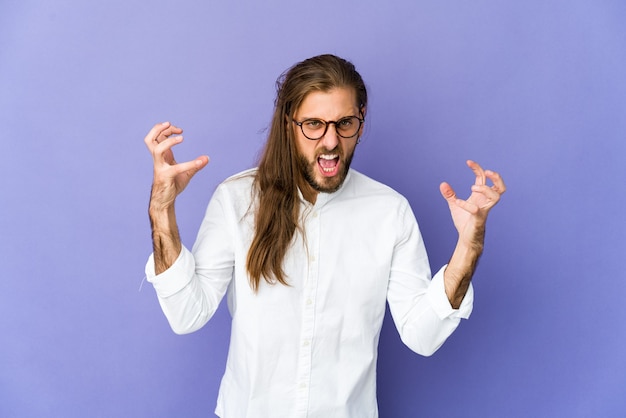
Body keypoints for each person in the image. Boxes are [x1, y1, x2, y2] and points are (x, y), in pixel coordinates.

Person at [144, 54, 505, 418]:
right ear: (289, 124)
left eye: (344, 123)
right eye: (314, 124)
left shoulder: (389, 212)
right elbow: (186, 314)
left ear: (361, 124)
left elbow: (423, 337)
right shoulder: (236, 200)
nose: (330, 141)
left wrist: (467, 249)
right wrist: (162, 209)